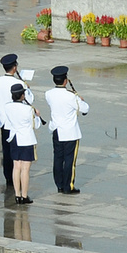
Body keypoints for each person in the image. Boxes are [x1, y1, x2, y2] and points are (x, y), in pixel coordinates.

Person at [43, 66, 88, 194]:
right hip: (70, 133)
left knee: (58, 158)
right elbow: (85, 109)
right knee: (69, 160)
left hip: (56, 130)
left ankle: (59, 185)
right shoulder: (71, 96)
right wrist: (80, 99)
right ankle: (68, 186)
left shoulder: (49, 94)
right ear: (66, 81)